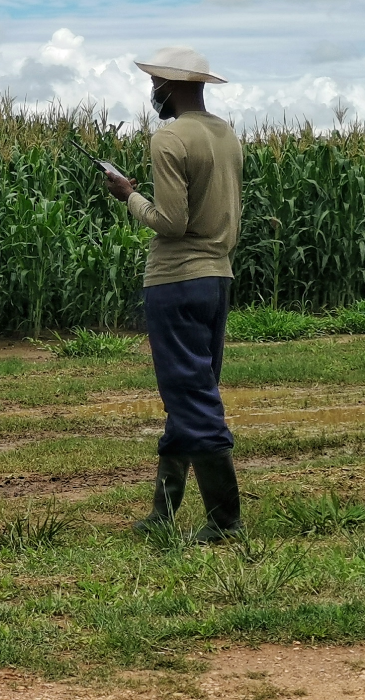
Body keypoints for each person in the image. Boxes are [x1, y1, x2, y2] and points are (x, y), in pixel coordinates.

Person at [102, 46, 244, 543]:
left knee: (191, 395)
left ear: (171, 86)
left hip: (176, 280)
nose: (152, 93)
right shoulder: (225, 133)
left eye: (156, 84)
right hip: (216, 278)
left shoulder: (168, 138)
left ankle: (225, 522)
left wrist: (129, 196)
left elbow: (171, 222)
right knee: (191, 392)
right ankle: (162, 515)